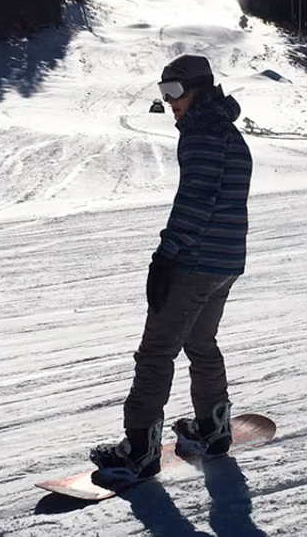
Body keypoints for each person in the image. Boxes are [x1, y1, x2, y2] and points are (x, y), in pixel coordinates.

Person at [90, 54, 252, 482]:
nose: (171, 102)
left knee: (156, 352)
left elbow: (196, 203)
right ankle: (213, 430)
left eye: (176, 92)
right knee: (201, 342)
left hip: (195, 261)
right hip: (226, 262)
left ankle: (140, 450)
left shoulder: (200, 134)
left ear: (200, 89)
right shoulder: (229, 133)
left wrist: (166, 255)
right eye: (164, 94)